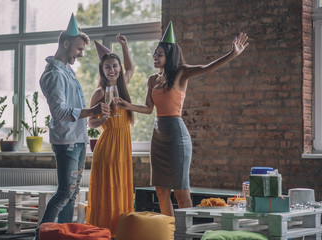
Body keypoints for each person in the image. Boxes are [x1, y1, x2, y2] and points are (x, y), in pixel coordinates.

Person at [118, 21, 249, 216]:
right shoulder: (153, 79)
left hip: (177, 137)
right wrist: (127, 105)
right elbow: (148, 108)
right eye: (154, 53)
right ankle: (170, 232)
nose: (155, 57)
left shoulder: (181, 73)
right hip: (158, 136)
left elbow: (207, 67)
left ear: (169, 56)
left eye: (159, 54)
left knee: (180, 190)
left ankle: (184, 234)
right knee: (161, 190)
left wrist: (232, 54)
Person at [34, 13, 110, 239]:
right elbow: (60, 112)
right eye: (78, 49)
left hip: (77, 140)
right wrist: (92, 111)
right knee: (64, 192)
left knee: (72, 193)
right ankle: (41, 235)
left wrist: (94, 115)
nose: (80, 54)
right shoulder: (54, 74)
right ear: (65, 44)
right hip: (66, 142)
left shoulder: (67, 70)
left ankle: (63, 235)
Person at [86, 34, 134, 236]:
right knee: (109, 189)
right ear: (102, 70)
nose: (112, 70)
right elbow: (90, 122)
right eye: (107, 67)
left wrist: (124, 45)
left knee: (121, 187)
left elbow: (131, 68)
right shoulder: (99, 92)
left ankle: (120, 229)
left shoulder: (122, 86)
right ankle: (105, 231)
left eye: (115, 66)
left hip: (124, 144)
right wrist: (104, 120)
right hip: (108, 145)